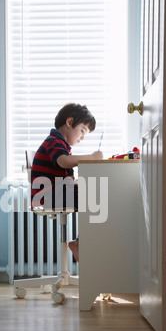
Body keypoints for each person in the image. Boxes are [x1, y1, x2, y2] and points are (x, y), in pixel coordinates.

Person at [30, 103, 103, 262]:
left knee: (94, 194)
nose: (82, 137)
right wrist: (92, 157)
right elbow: (64, 162)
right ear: (69, 122)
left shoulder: (62, 146)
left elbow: (66, 176)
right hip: (49, 195)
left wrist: (76, 183)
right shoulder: (54, 141)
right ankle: (80, 243)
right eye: (83, 130)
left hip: (55, 192)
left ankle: (79, 242)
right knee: (96, 198)